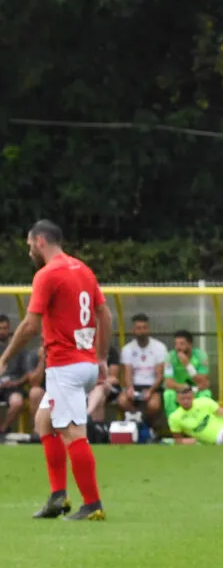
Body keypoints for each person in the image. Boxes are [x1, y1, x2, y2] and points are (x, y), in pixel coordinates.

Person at [0, 220, 111, 520]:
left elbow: (30, 325)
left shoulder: (47, 274)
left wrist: (5, 357)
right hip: (85, 364)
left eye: (28, 246)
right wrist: (100, 357)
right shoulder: (82, 269)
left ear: (39, 242)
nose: (28, 252)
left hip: (65, 366)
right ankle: (58, 497)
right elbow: (105, 314)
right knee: (43, 421)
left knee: (73, 431)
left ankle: (93, 504)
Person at [117, 313, 169, 429]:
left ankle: (147, 427)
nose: (142, 331)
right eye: (139, 328)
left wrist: (150, 391)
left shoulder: (159, 347)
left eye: (145, 328)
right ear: (133, 330)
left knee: (154, 405)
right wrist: (129, 388)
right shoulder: (127, 349)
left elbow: (160, 375)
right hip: (135, 386)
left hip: (153, 387)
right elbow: (127, 374)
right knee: (122, 400)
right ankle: (138, 424)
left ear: (148, 329)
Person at [162, 329, 212, 415]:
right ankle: (175, 425)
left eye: (182, 344)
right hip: (178, 390)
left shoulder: (201, 356)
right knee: (168, 394)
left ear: (190, 344)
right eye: (176, 344)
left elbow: (203, 382)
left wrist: (187, 365)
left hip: (196, 390)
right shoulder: (170, 357)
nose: (178, 347)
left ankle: (201, 424)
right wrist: (182, 387)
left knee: (206, 394)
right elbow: (168, 382)